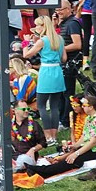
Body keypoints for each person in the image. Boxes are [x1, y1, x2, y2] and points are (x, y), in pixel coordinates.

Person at [31, 96, 96, 178]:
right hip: (90, 147)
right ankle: (43, 169)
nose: (82, 107)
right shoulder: (89, 118)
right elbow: (84, 136)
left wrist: (76, 153)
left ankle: (44, 171)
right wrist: (74, 146)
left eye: (84, 105)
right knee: (70, 155)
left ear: (91, 107)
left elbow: (93, 142)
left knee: (72, 160)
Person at [23, 15, 66, 144]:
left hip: (46, 72)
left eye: (38, 25)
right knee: (54, 106)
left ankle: (48, 136)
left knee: (41, 105)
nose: (36, 27)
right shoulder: (59, 39)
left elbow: (26, 54)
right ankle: (54, 135)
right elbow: (64, 59)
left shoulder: (43, 41)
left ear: (43, 26)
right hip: (57, 72)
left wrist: (25, 42)